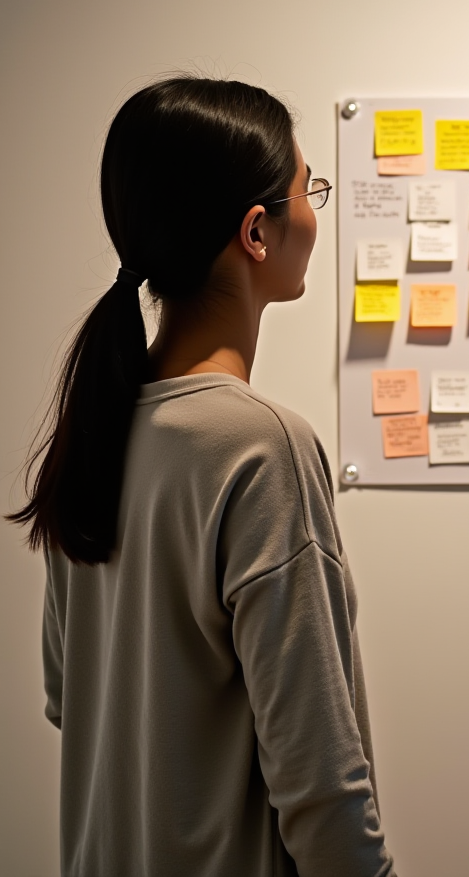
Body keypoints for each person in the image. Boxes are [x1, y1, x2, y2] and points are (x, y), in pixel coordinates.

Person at [8, 78, 397, 877]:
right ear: (258, 231)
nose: (316, 213)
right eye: (308, 189)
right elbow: (323, 789)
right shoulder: (262, 448)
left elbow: (65, 692)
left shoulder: (99, 425)